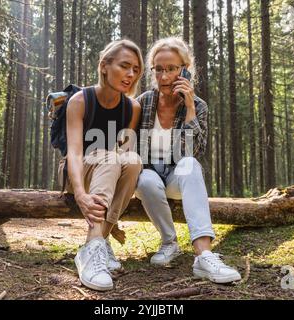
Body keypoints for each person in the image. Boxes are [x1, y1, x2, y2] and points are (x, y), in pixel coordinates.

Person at [135, 37, 242, 284]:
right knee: (145, 180)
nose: (163, 76)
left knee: (191, 164)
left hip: (177, 177)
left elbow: (192, 152)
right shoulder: (144, 102)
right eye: (158, 69)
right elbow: (137, 153)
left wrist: (190, 108)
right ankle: (169, 242)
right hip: (149, 173)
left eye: (171, 68)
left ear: (184, 70)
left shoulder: (199, 106)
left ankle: (204, 254)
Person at [66, 39, 144, 291]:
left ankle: (98, 241)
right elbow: (74, 153)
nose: (130, 74)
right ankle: (93, 249)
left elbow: (123, 153)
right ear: (104, 66)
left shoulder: (132, 108)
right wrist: (79, 194)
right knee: (107, 156)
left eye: (135, 69)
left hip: (106, 173)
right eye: (124, 66)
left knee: (132, 161)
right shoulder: (80, 101)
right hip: (75, 173)